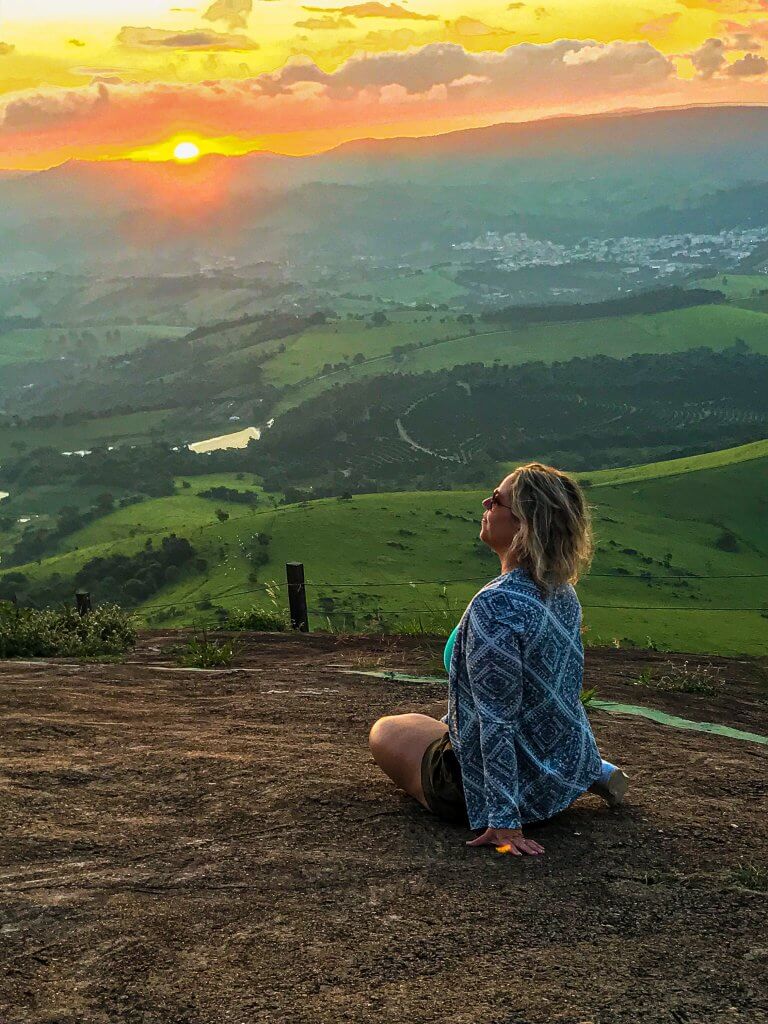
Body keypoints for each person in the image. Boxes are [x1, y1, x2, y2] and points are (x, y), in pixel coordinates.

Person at [368, 462, 629, 857]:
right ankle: (593, 769)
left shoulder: (496, 604)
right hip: (557, 777)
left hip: (498, 796)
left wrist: (504, 820)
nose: (486, 503)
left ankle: (542, 787)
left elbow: (496, 719)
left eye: (497, 500)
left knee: (386, 729)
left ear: (525, 525)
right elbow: (562, 694)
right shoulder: (562, 592)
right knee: (432, 722)